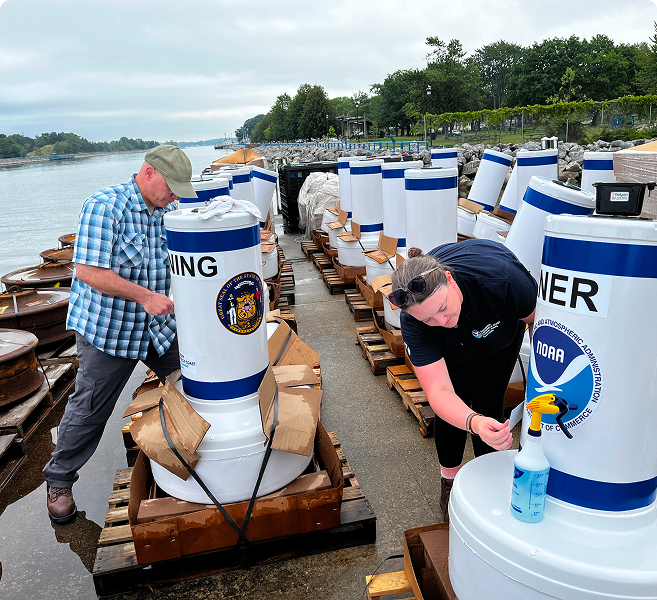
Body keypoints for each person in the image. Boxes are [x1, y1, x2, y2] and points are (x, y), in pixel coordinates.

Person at [43, 145, 197, 524]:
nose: (175, 195)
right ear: (148, 172)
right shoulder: (104, 206)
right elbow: (88, 272)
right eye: (171, 186)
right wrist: (145, 297)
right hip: (108, 330)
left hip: (158, 329)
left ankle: (198, 450)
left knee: (194, 379)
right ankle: (59, 480)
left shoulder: (168, 213)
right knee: (90, 408)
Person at [389, 240, 537, 522]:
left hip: (498, 333)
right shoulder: (414, 323)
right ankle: (450, 482)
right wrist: (474, 422)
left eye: (443, 307)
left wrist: (540, 385)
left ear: (449, 279)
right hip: (452, 351)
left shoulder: (503, 279)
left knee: (490, 401)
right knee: (456, 408)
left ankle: (488, 478)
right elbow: (439, 391)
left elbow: (538, 324)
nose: (441, 320)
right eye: (428, 319)